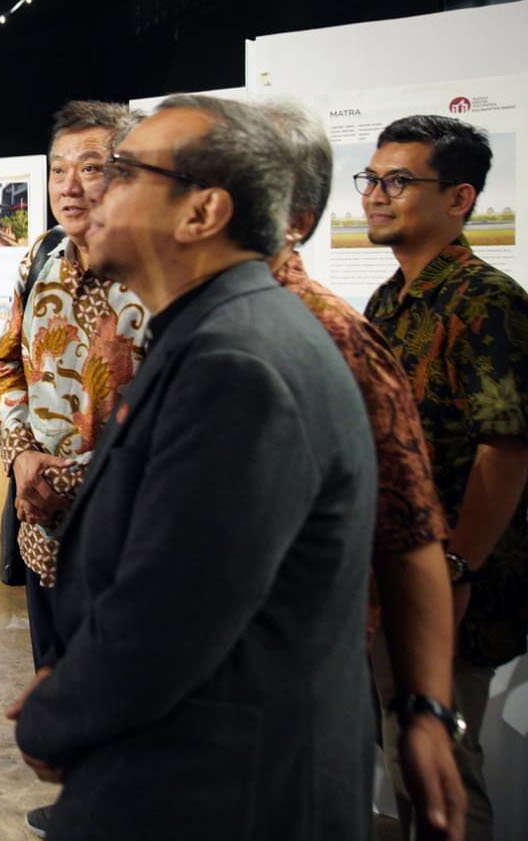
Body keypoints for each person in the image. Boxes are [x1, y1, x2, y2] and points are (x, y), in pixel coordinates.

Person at [7, 95, 378, 839]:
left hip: (213, 791)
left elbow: (167, 616)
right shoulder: (219, 334)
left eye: (120, 171)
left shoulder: (236, 364)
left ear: (201, 214)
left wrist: (54, 717)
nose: (89, 191)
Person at [260, 101, 465, 841]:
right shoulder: (366, 306)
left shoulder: (329, 330)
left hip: (306, 676)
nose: (375, 195)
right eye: (371, 179)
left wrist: (426, 706)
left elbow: (417, 516)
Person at [360, 114, 528, 841]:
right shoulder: (389, 301)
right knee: (405, 760)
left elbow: (509, 448)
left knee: (442, 774)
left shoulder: (487, 303)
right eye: (372, 178)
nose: (375, 194)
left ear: (459, 199)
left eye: (399, 181)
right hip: (396, 576)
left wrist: (455, 567)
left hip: (458, 587)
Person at [0, 100, 146, 839]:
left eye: (93, 167)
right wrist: (21, 458)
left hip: (130, 525)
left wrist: (70, 475)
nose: (71, 184)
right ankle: (81, 798)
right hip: (42, 518)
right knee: (55, 668)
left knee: (126, 679)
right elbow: (5, 363)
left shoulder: (155, 270)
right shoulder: (42, 254)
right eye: (59, 168)